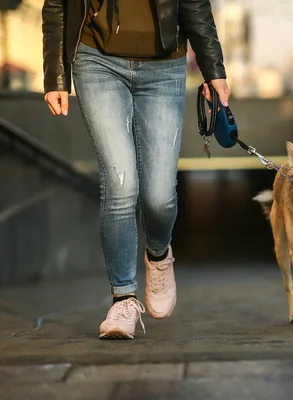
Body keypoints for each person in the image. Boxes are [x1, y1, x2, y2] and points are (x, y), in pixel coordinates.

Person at [41, 0, 229, 339]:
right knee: (119, 182)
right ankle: (123, 298)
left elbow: (196, 6)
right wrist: (56, 74)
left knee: (158, 196)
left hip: (164, 65)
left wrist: (214, 70)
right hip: (95, 59)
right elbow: (57, 5)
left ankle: (158, 253)